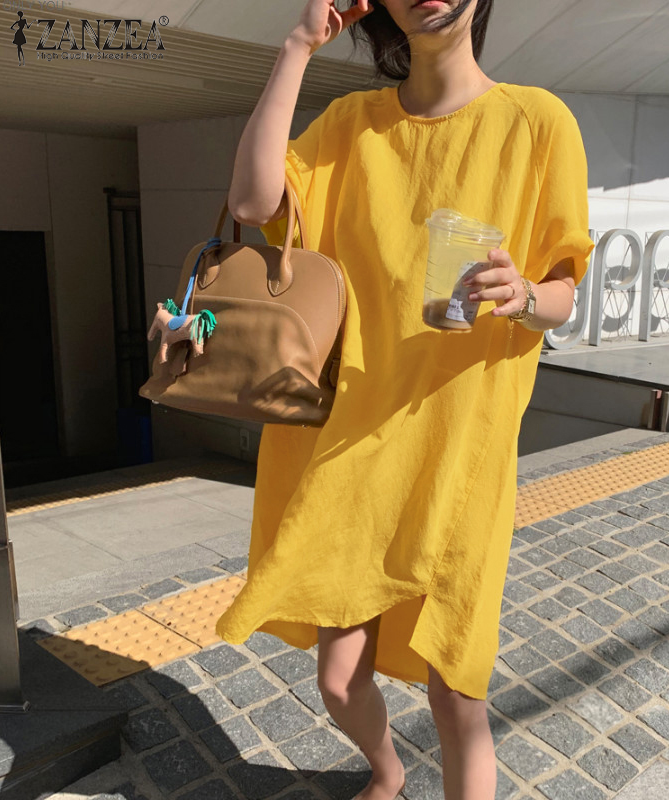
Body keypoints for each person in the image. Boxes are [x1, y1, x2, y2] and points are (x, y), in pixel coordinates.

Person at [215, 1, 595, 797]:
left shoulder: (537, 122)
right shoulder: (351, 126)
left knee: (456, 692)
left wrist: (525, 294)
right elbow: (252, 203)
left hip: (461, 447)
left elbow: (565, 288)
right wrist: (297, 47)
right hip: (354, 444)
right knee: (337, 680)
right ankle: (387, 773)